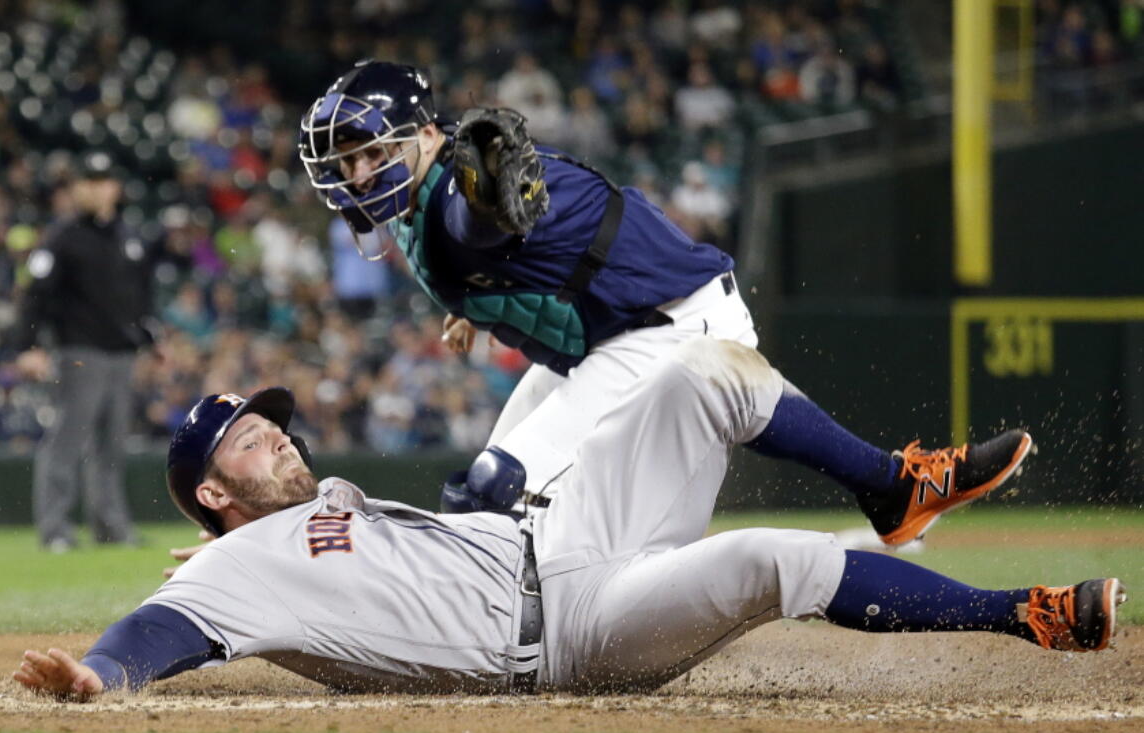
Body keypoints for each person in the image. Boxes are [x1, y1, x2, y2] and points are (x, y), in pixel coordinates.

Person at [13, 337, 1124, 701]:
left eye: (274, 425)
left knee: (703, 373)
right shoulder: (234, 569)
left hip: (560, 536)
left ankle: (894, 484)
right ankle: (1031, 612)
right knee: (775, 558)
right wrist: (100, 679)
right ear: (213, 491)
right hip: (571, 633)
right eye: (253, 441)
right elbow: (155, 630)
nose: (282, 438)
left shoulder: (316, 507)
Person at [295, 61, 1031, 549]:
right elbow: (473, 242)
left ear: (426, 132)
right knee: (496, 496)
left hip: (664, 321)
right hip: (611, 334)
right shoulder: (426, 201)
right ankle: (892, 487)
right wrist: (475, 300)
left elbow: (480, 215)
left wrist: (489, 224)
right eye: (347, 163)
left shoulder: (464, 195)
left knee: (496, 490)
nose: (360, 174)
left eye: (371, 152)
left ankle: (894, 485)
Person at [11, 151, 155, 551]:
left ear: (114, 187)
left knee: (111, 447)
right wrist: (29, 345)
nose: (94, 188)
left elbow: (140, 297)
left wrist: (149, 336)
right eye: (87, 181)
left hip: (120, 353)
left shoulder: (128, 236)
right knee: (67, 441)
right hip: (78, 351)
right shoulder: (63, 236)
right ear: (77, 188)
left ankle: (110, 527)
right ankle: (55, 529)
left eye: (102, 180)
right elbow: (35, 294)